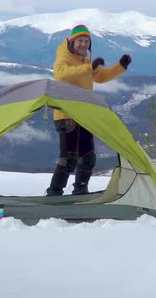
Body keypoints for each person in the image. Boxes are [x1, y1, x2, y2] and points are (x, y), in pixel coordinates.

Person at [46, 24, 132, 196]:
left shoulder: (85, 58)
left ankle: (80, 191)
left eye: (86, 41)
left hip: (84, 114)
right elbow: (61, 74)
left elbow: (100, 77)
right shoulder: (64, 54)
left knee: (88, 158)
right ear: (72, 41)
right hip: (67, 115)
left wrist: (120, 66)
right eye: (80, 41)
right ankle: (54, 194)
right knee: (68, 160)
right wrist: (89, 67)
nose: (83, 44)